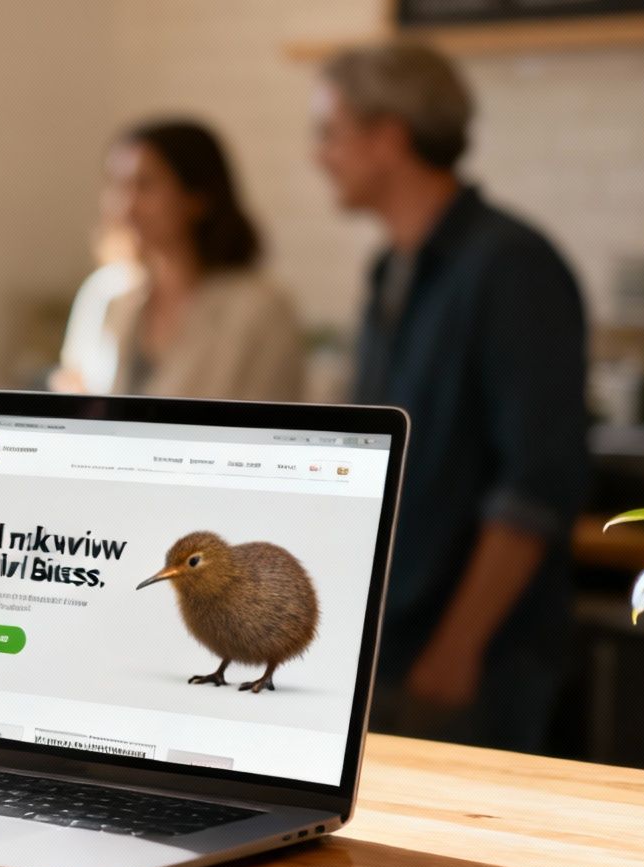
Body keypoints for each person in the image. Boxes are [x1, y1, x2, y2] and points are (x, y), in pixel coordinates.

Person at [312, 44, 588, 753]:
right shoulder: (389, 270)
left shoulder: (511, 267)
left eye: (331, 133)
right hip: (392, 642)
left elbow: (535, 486)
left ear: (388, 138)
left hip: (473, 660)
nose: (320, 155)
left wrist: (457, 646)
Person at [56, 119, 304, 401]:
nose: (125, 206)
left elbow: (271, 430)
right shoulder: (104, 295)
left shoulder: (260, 312)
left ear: (198, 198)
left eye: (145, 186)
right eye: (118, 186)